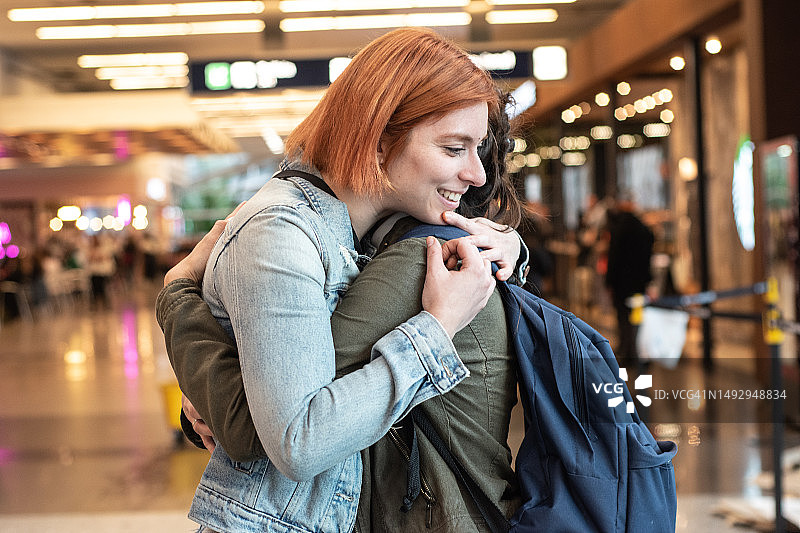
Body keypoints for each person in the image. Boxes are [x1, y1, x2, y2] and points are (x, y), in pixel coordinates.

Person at [159, 28, 527, 533]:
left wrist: (507, 245)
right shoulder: (280, 235)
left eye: (476, 148)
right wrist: (438, 328)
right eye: (452, 148)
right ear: (378, 142)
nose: (476, 174)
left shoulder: (361, 229)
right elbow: (299, 442)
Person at [604, 196, 654, 368]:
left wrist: (609, 281)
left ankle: (627, 351)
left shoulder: (618, 229)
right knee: (637, 316)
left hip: (621, 283)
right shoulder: (642, 228)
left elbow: (614, 257)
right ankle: (637, 350)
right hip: (639, 283)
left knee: (623, 317)